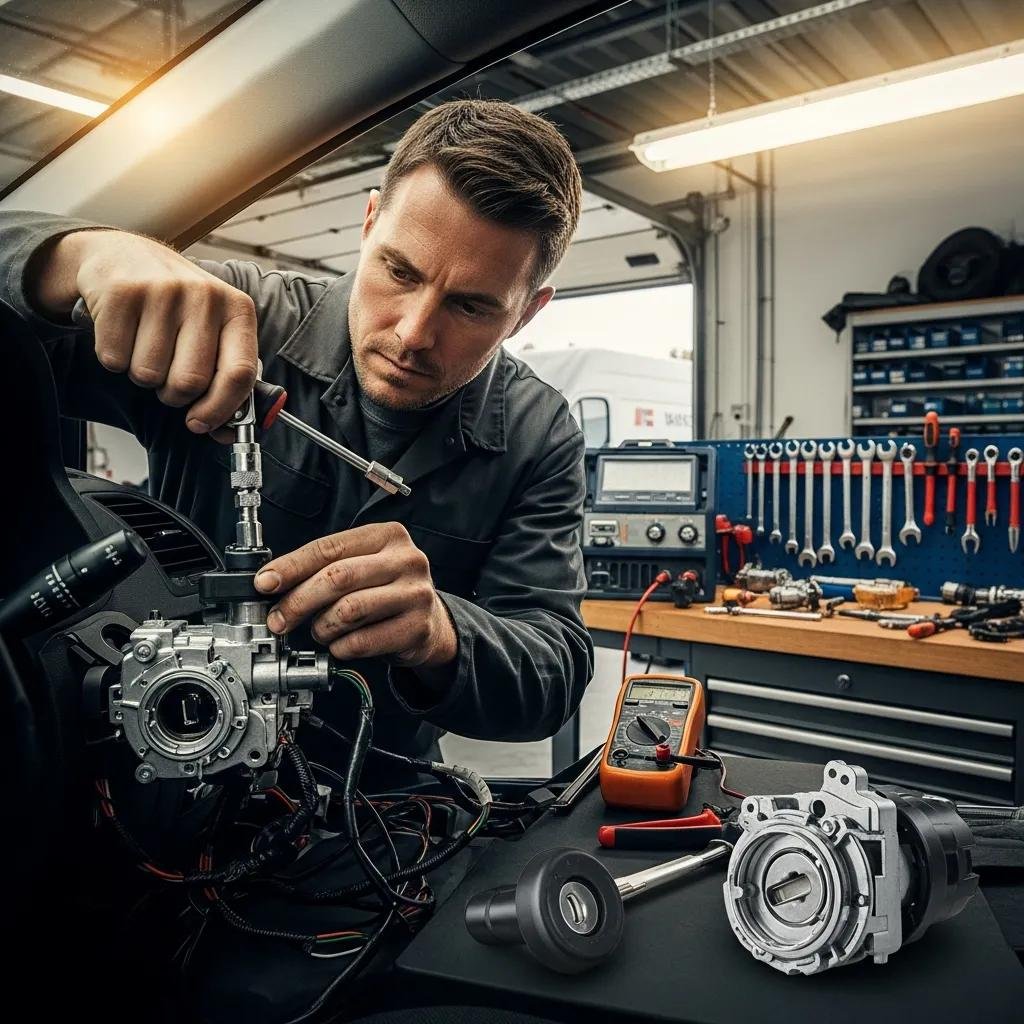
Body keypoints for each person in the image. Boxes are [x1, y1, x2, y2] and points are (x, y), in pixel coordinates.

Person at [1, 98, 592, 788]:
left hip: (377, 809)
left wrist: (440, 632)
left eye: (471, 305)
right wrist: (79, 256)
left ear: (527, 310)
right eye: (399, 271)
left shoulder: (538, 431)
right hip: (166, 777)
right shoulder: (240, 319)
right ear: (370, 223)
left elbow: (554, 668)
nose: (412, 333)